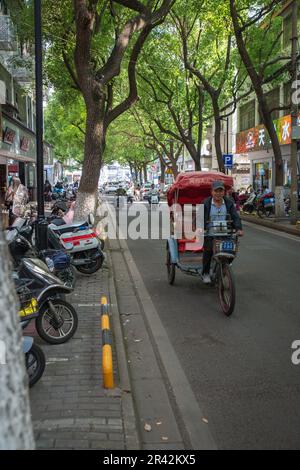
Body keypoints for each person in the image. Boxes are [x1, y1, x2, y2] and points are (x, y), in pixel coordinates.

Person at [202, 181, 243, 284]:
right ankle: (205, 273)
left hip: (225, 233)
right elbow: (199, 217)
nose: (218, 193)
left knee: (231, 251)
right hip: (210, 233)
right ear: (212, 192)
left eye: (221, 191)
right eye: (216, 191)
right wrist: (200, 228)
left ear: (224, 192)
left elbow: (235, 216)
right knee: (208, 252)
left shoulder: (229, 203)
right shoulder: (206, 203)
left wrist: (238, 229)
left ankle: (225, 265)